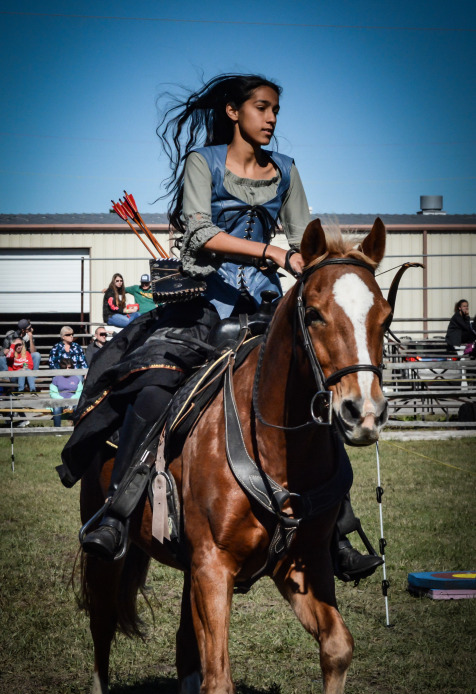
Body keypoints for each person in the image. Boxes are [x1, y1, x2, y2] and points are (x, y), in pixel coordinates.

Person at [60, 73, 380, 581]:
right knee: (151, 387)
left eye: (276, 109)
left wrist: (312, 260)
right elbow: (202, 232)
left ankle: (336, 529)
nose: (271, 118)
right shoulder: (202, 163)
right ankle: (117, 515)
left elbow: (303, 239)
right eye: (261, 107)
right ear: (233, 112)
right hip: (203, 304)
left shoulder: (289, 171)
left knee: (315, 393)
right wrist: (270, 251)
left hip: (266, 311)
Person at [50, 357, 83, 427]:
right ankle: (57, 430)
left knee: (77, 407)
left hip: (73, 401)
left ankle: (77, 428)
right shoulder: (56, 378)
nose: (67, 370)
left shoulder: (77, 379)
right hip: (60, 401)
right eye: (65, 368)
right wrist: (63, 400)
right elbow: (53, 393)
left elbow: (79, 393)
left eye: (69, 367)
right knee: (56, 408)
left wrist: (71, 400)